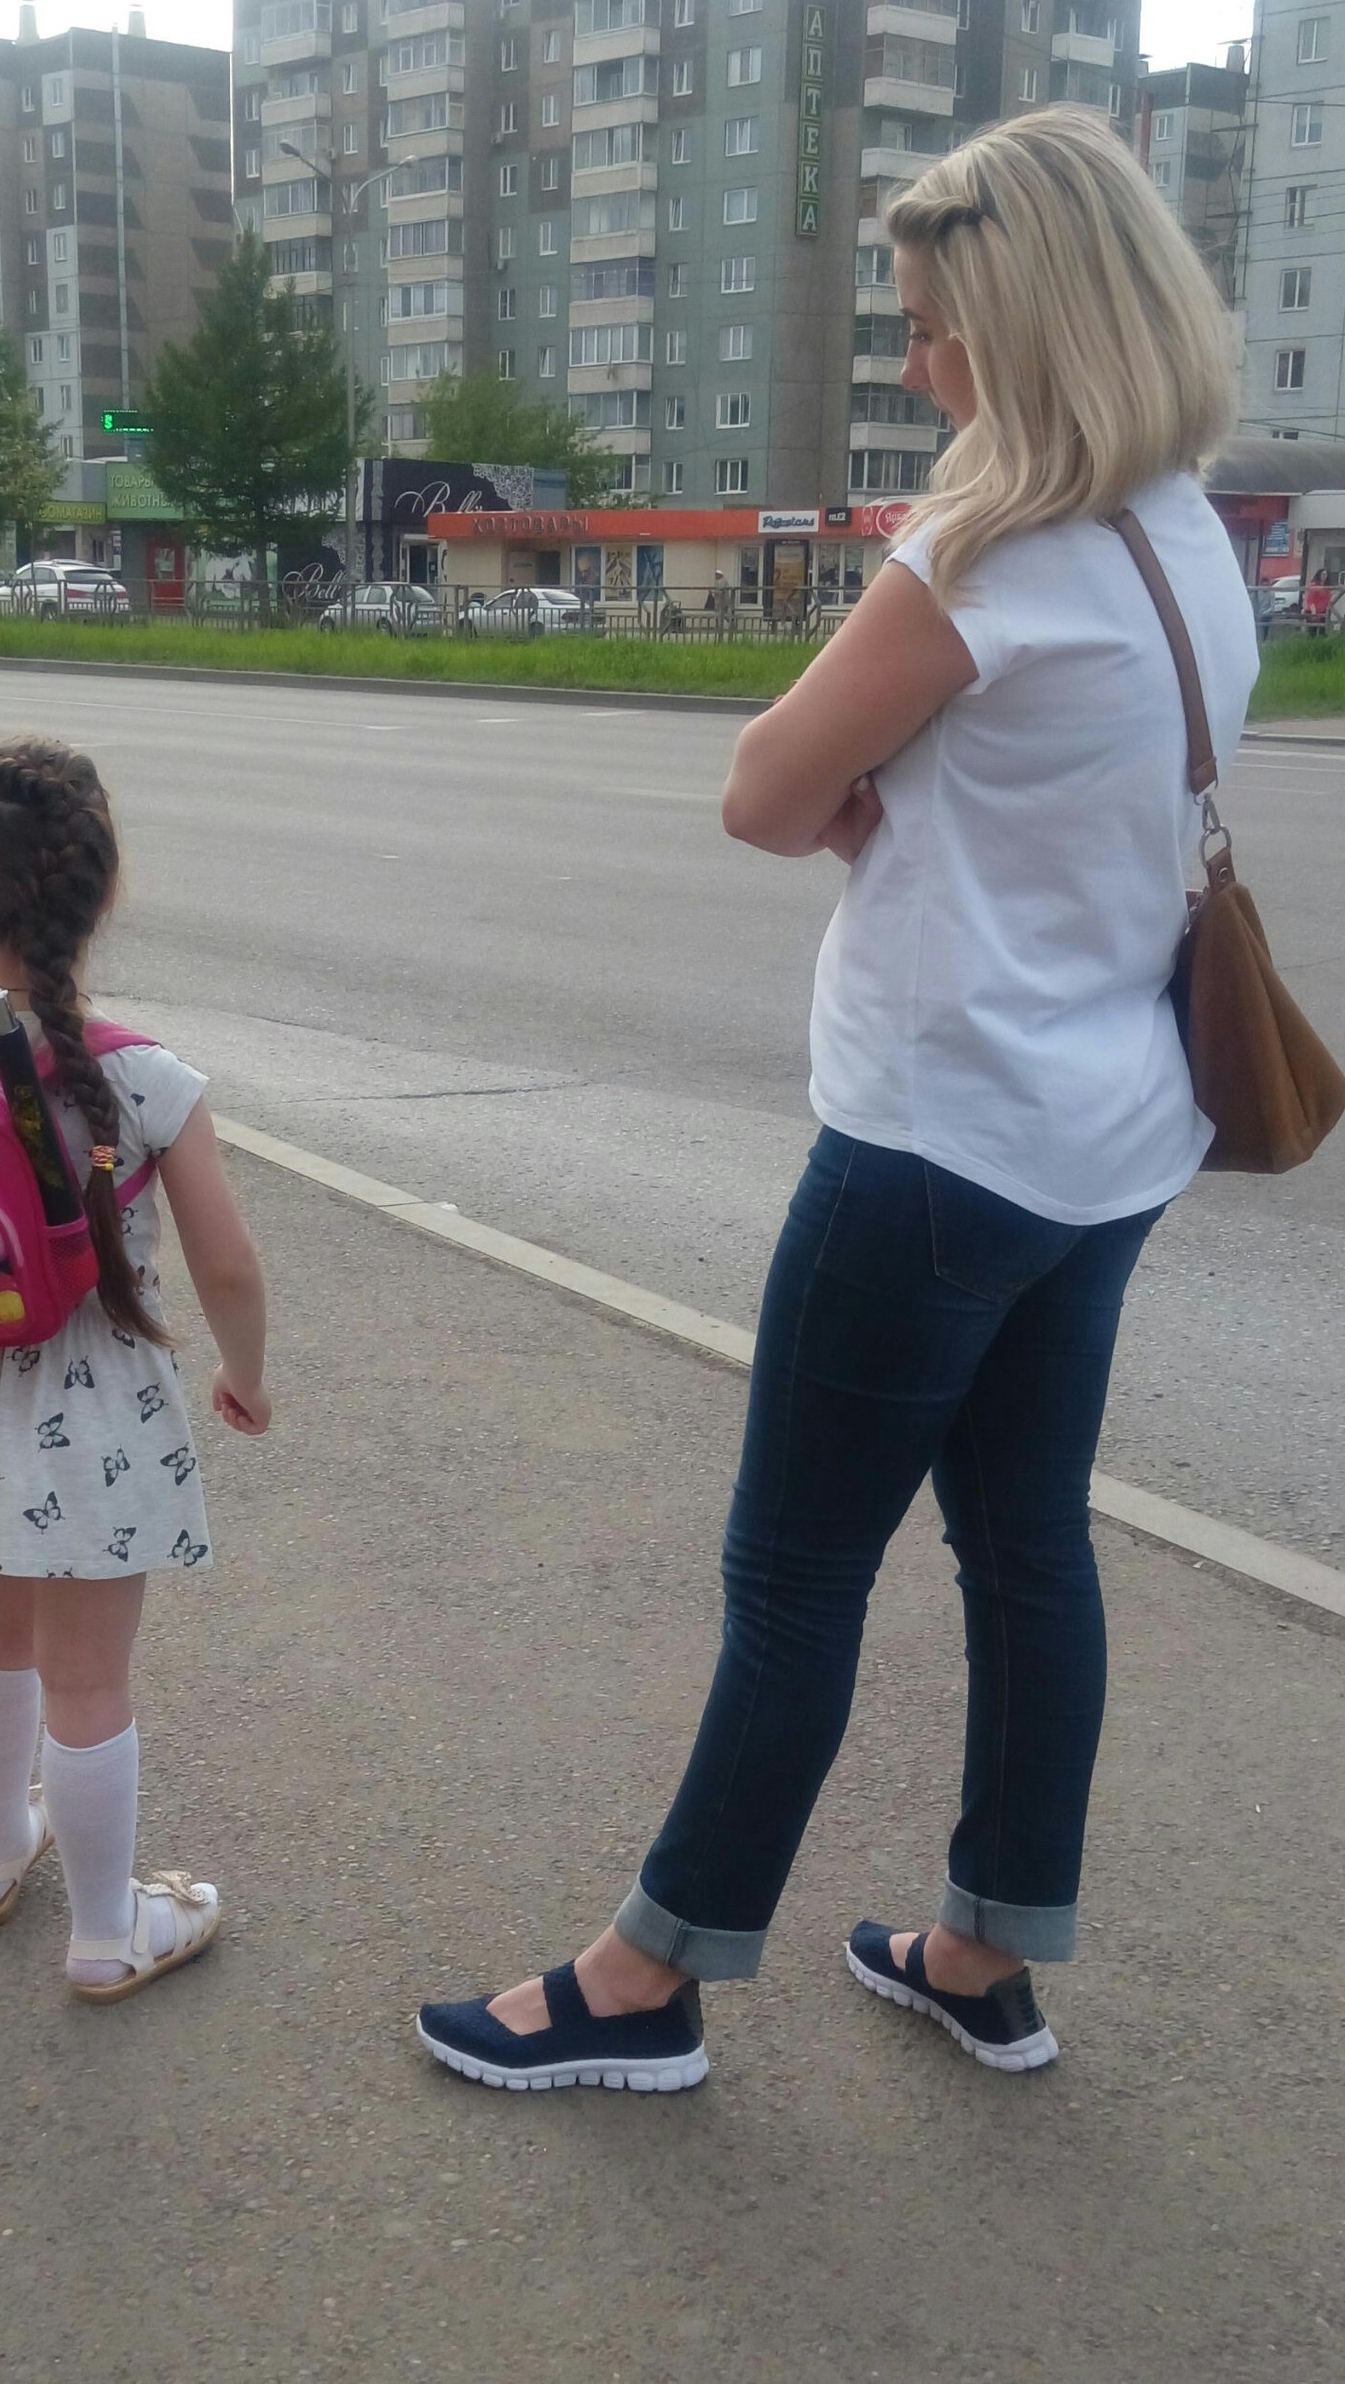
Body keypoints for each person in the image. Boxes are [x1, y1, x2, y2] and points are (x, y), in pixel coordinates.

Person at [417, 104, 1259, 2092]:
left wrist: (849, 793)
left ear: (1024, 329)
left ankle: (644, 1981)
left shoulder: (977, 553)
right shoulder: (1181, 543)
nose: (909, 363)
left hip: (935, 1138)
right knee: (1026, 1543)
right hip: (1106, 1138)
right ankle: (981, 1949)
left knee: (794, 1575)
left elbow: (759, 794)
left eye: (930, 328)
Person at [0, 737, 271, 2001]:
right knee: (88, 1674)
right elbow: (228, 1266)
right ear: (101, 892)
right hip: (96, 1408)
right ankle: (107, 1932)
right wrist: (245, 1372)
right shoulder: (145, 1077)